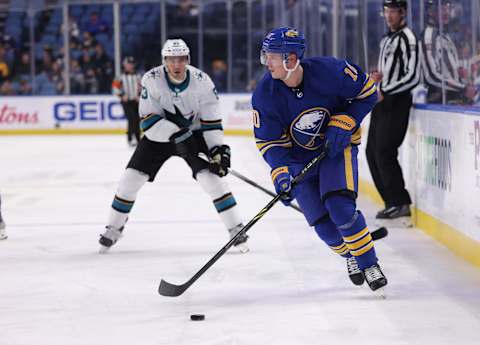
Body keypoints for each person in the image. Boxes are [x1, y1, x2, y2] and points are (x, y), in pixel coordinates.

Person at [251, 27, 387, 292]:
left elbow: (368, 93)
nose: (267, 62)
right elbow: (270, 143)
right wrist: (281, 172)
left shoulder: (331, 72)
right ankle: (352, 255)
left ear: (291, 59)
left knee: (340, 208)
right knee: (324, 227)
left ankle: (369, 263)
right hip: (299, 162)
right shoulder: (265, 94)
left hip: (336, 150)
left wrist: (346, 120)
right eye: (265, 54)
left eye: (272, 56)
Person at [99, 39, 249, 254]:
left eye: (181, 59)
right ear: (164, 61)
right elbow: (148, 122)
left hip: (194, 135)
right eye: (171, 60)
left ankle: (236, 228)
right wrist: (176, 134)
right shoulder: (151, 79)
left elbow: (212, 122)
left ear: (187, 60)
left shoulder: (202, 82)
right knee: (130, 180)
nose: (176, 65)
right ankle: (114, 228)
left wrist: (217, 150)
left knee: (211, 179)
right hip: (158, 137)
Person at [366, 0, 419, 226]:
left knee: (385, 151)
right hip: (382, 101)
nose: (389, 15)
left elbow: (413, 76)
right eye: (386, 11)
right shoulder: (387, 39)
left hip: (396, 102)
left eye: (393, 11)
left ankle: (400, 203)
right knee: (371, 152)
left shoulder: (408, 38)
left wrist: (386, 89)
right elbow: (391, 73)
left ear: (403, 13)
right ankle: (391, 202)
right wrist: (379, 79)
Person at [420, 0, 476, 104]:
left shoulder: (444, 35)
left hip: (453, 99)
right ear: (430, 12)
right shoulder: (428, 35)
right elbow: (431, 75)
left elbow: (447, 69)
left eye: (448, 7)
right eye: (441, 8)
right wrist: (463, 88)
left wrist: (458, 73)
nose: (446, 12)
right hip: (440, 102)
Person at [112, 56, 142, 147]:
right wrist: (122, 95)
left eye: (131, 64)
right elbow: (115, 88)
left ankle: (137, 138)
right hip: (126, 102)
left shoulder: (138, 76)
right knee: (132, 118)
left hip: (136, 102)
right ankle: (131, 138)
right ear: (125, 65)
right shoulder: (120, 77)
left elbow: (143, 87)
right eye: (128, 64)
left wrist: (140, 96)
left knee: (136, 120)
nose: (130, 66)